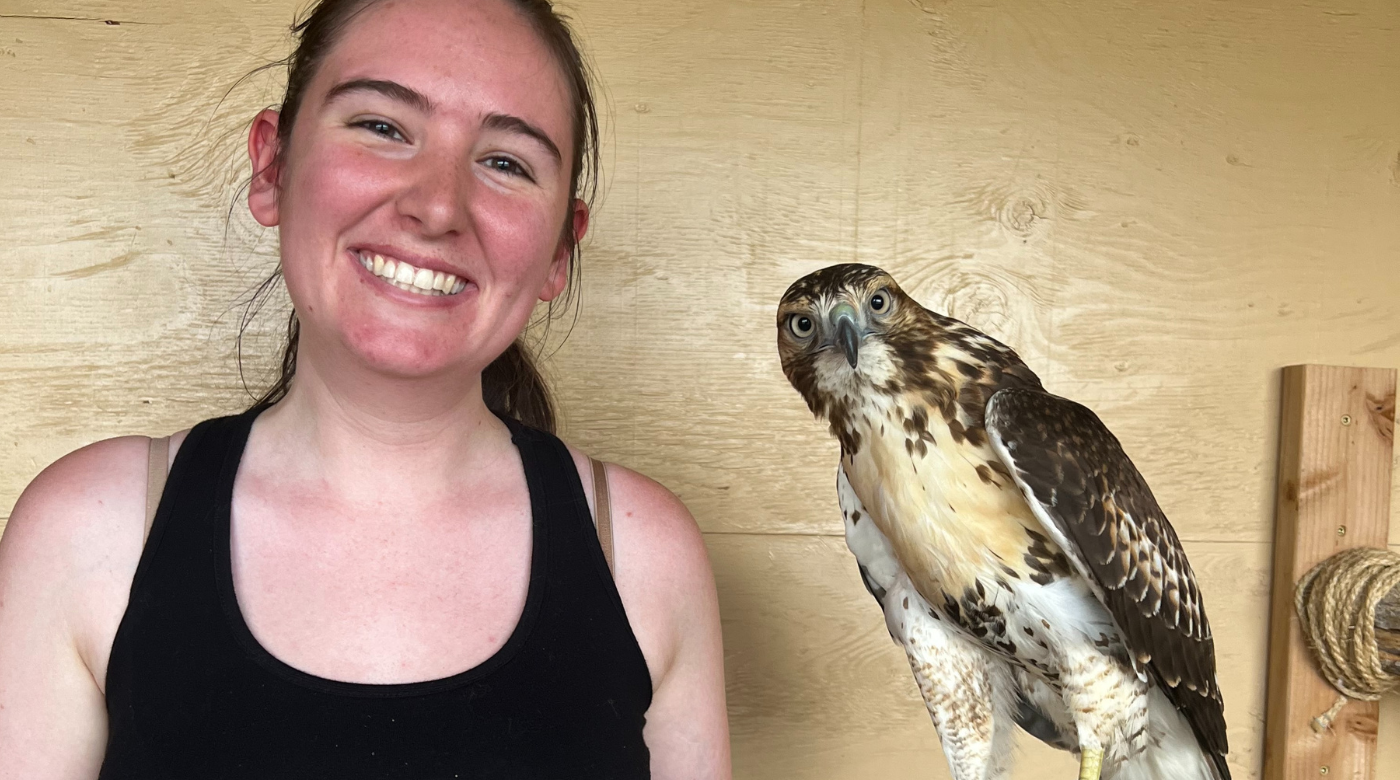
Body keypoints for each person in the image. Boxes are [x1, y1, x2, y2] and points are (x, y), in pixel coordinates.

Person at [0, 0, 731, 776]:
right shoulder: (89, 533)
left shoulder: (645, 556)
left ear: (559, 250)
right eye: (382, 127)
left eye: (506, 162)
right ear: (273, 166)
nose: (437, 205)